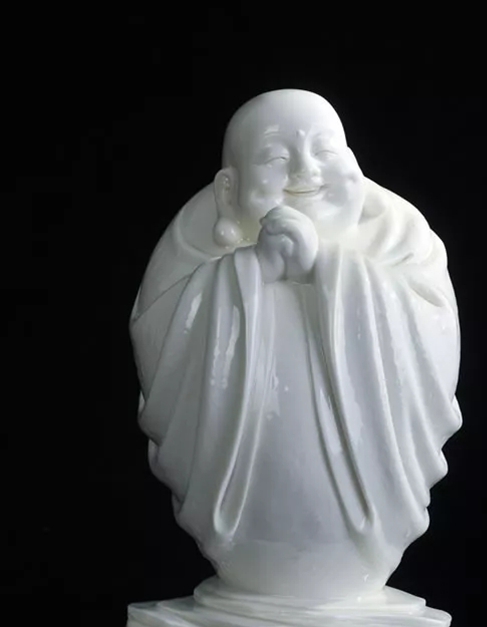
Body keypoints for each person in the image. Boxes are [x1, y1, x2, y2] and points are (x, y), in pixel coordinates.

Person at [130, 89, 461, 599]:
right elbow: (158, 334)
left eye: (325, 151)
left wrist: (325, 269)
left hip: (365, 498)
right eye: (276, 158)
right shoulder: (191, 243)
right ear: (228, 191)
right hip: (244, 498)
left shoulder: (401, 237)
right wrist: (250, 273)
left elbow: (434, 332)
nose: (305, 170)